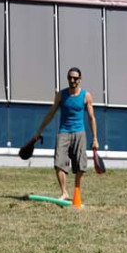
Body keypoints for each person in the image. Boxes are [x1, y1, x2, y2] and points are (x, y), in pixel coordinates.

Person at [25, 67, 99, 205]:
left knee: (81, 165)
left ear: (80, 79)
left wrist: (95, 138)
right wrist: (39, 131)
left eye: (75, 78)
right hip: (63, 132)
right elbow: (51, 114)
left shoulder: (86, 96)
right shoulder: (61, 95)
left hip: (79, 133)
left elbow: (91, 118)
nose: (72, 80)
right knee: (58, 162)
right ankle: (64, 192)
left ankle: (77, 192)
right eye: (70, 77)